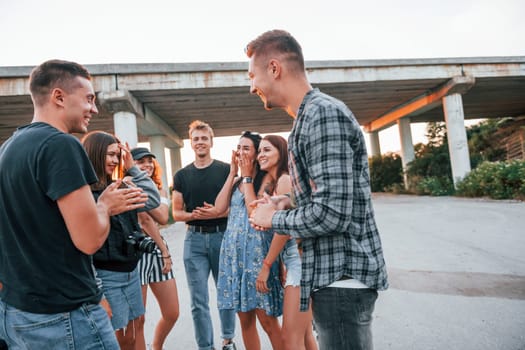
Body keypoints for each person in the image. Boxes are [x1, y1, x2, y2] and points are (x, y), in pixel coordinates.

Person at [246, 30, 389, 350]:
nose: (251, 85)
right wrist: (288, 201)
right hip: (331, 280)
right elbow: (329, 196)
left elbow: (334, 214)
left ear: (273, 68)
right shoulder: (308, 118)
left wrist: (274, 219)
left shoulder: (321, 115)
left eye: (252, 75)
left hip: (342, 281)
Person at [0, 59, 147, 349]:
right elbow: (90, 240)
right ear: (58, 96)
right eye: (89, 99)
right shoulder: (61, 145)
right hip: (64, 317)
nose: (94, 108)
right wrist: (105, 205)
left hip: (16, 313)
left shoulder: (7, 149)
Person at [82, 131, 161, 350]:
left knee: (133, 332)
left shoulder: (120, 186)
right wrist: (99, 293)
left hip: (132, 272)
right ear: (95, 154)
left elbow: (153, 200)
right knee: (115, 338)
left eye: (118, 155)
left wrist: (132, 168)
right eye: (110, 155)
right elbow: (83, 248)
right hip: (106, 277)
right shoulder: (83, 193)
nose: (115, 160)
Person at [214, 131, 283, 350]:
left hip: (257, 255)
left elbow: (254, 210)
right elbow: (219, 207)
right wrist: (233, 173)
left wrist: (246, 177)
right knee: (245, 320)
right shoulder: (236, 180)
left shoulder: (266, 180)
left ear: (255, 154)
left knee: (267, 320)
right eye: (239, 147)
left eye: (247, 148)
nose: (241, 152)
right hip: (234, 258)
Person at [172, 120, 237, 350]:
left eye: (204, 138)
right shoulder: (181, 175)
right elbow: (177, 213)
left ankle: (228, 340)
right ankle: (205, 347)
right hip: (195, 241)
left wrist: (216, 213)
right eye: (196, 139)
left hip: (222, 238)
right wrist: (197, 216)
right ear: (191, 143)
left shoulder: (225, 171)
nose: (200, 142)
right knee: (198, 301)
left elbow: (234, 208)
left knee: (226, 294)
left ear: (211, 141)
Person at [254, 135, 317, 350]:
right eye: (260, 150)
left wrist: (267, 265)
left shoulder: (284, 180)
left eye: (267, 150)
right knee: (306, 336)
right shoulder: (274, 183)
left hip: (300, 264)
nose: (261, 154)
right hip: (292, 262)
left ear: (281, 153)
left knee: (291, 339)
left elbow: (283, 229)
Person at [131, 147, 180, 350]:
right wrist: (165, 252)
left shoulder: (157, 188)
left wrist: (162, 251)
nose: (147, 165)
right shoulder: (131, 186)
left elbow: (163, 215)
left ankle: (156, 347)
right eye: (140, 162)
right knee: (138, 319)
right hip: (138, 252)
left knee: (172, 312)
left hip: (157, 249)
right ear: (130, 166)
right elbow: (146, 221)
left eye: (149, 161)